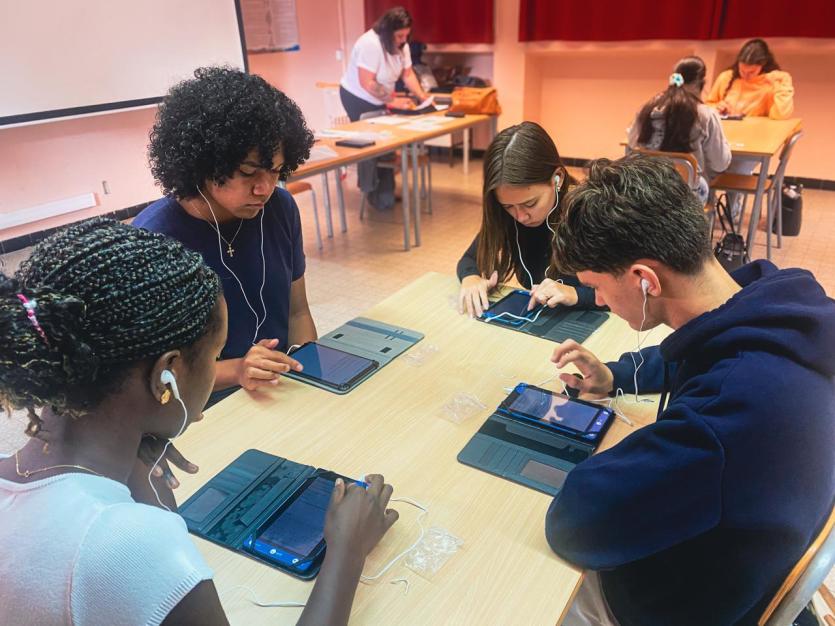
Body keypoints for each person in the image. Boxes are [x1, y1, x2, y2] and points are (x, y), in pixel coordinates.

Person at [0, 218, 398, 625]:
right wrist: (347, 550)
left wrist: (136, 463)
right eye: (215, 355)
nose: (217, 367)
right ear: (166, 376)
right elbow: (141, 555)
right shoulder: (130, 544)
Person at [544, 156, 835, 626]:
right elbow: (696, 350)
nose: (597, 300)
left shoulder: (726, 412)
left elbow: (575, 524)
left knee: (539, 587)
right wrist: (616, 377)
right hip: (763, 542)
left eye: (596, 286)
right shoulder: (774, 307)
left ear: (644, 280)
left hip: (702, 602)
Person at [134, 67, 317, 408]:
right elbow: (154, 376)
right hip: (202, 407)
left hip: (278, 388)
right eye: (248, 172)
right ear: (205, 163)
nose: (264, 189)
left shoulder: (281, 208)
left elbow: (297, 314)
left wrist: (311, 373)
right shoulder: (154, 240)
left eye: (275, 171)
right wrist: (238, 370)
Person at [457, 121, 601, 318]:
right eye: (508, 207)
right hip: (548, 319)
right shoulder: (509, 212)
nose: (520, 217)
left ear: (557, 179)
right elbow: (468, 260)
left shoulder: (590, 214)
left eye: (530, 203)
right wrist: (471, 278)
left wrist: (576, 294)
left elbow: (632, 294)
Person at [339, 6, 431, 210]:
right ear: (387, 32)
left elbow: (407, 74)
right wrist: (391, 101)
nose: (403, 40)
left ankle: (385, 192)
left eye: (406, 35)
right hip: (357, 97)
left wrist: (423, 97)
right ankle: (372, 190)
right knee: (370, 144)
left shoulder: (402, 45)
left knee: (386, 142)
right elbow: (367, 82)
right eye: (399, 36)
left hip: (380, 96)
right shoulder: (370, 44)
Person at [628, 56, 731, 203]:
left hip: (646, 192)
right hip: (685, 197)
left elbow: (632, 144)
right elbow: (720, 164)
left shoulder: (648, 108)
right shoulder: (705, 114)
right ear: (701, 83)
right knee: (703, 183)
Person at [706, 38, 794, 120]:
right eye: (742, 71)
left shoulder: (771, 82)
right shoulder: (726, 77)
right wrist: (717, 107)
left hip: (755, 130)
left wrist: (785, 82)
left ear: (762, 65)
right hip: (724, 128)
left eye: (751, 72)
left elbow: (780, 115)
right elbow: (708, 105)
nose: (746, 75)